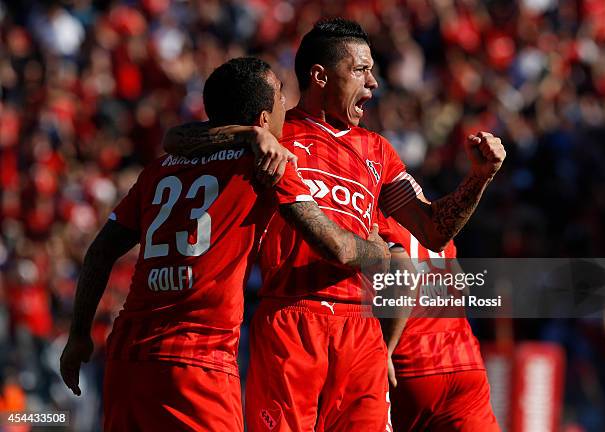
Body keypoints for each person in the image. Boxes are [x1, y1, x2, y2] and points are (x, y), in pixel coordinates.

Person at [164, 18, 505, 432]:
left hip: (360, 331)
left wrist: (479, 176)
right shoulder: (276, 131)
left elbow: (434, 231)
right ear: (320, 76)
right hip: (291, 319)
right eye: (361, 70)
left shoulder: (377, 150)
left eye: (373, 70)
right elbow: (177, 139)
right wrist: (246, 136)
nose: (374, 82)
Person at [59, 57, 390, 431]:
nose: (287, 106)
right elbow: (336, 247)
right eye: (281, 98)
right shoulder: (266, 164)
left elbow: (101, 251)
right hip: (199, 359)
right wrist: (378, 253)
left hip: (129, 357)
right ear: (264, 119)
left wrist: (78, 335)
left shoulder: (160, 168)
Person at [378, 213, 501, 431]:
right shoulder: (430, 218)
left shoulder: (374, 217)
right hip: (464, 361)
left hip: (411, 364)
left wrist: (386, 350)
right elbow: (463, 286)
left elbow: (405, 280)